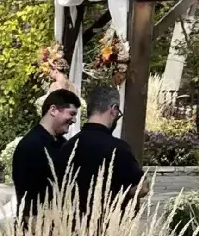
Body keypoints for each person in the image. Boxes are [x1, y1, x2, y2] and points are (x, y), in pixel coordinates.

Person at [69, 83, 147, 207]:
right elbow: (142, 188)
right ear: (113, 109)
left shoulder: (68, 146)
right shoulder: (119, 149)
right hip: (109, 222)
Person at [11, 87, 79, 219]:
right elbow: (27, 195)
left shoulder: (63, 143)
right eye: (71, 113)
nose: (74, 120)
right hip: (37, 227)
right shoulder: (30, 146)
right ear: (53, 110)